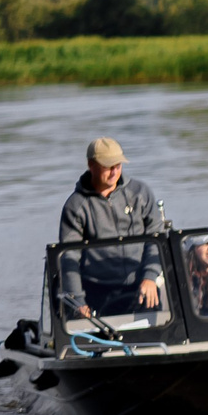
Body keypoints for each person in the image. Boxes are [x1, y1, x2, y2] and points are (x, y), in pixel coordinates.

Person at [57, 136, 166, 320]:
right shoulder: (76, 206)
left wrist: (149, 277)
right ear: (91, 165)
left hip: (141, 285)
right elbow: (69, 257)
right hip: (97, 292)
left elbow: (156, 237)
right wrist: (78, 302)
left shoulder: (140, 192)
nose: (114, 171)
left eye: (118, 165)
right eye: (108, 166)